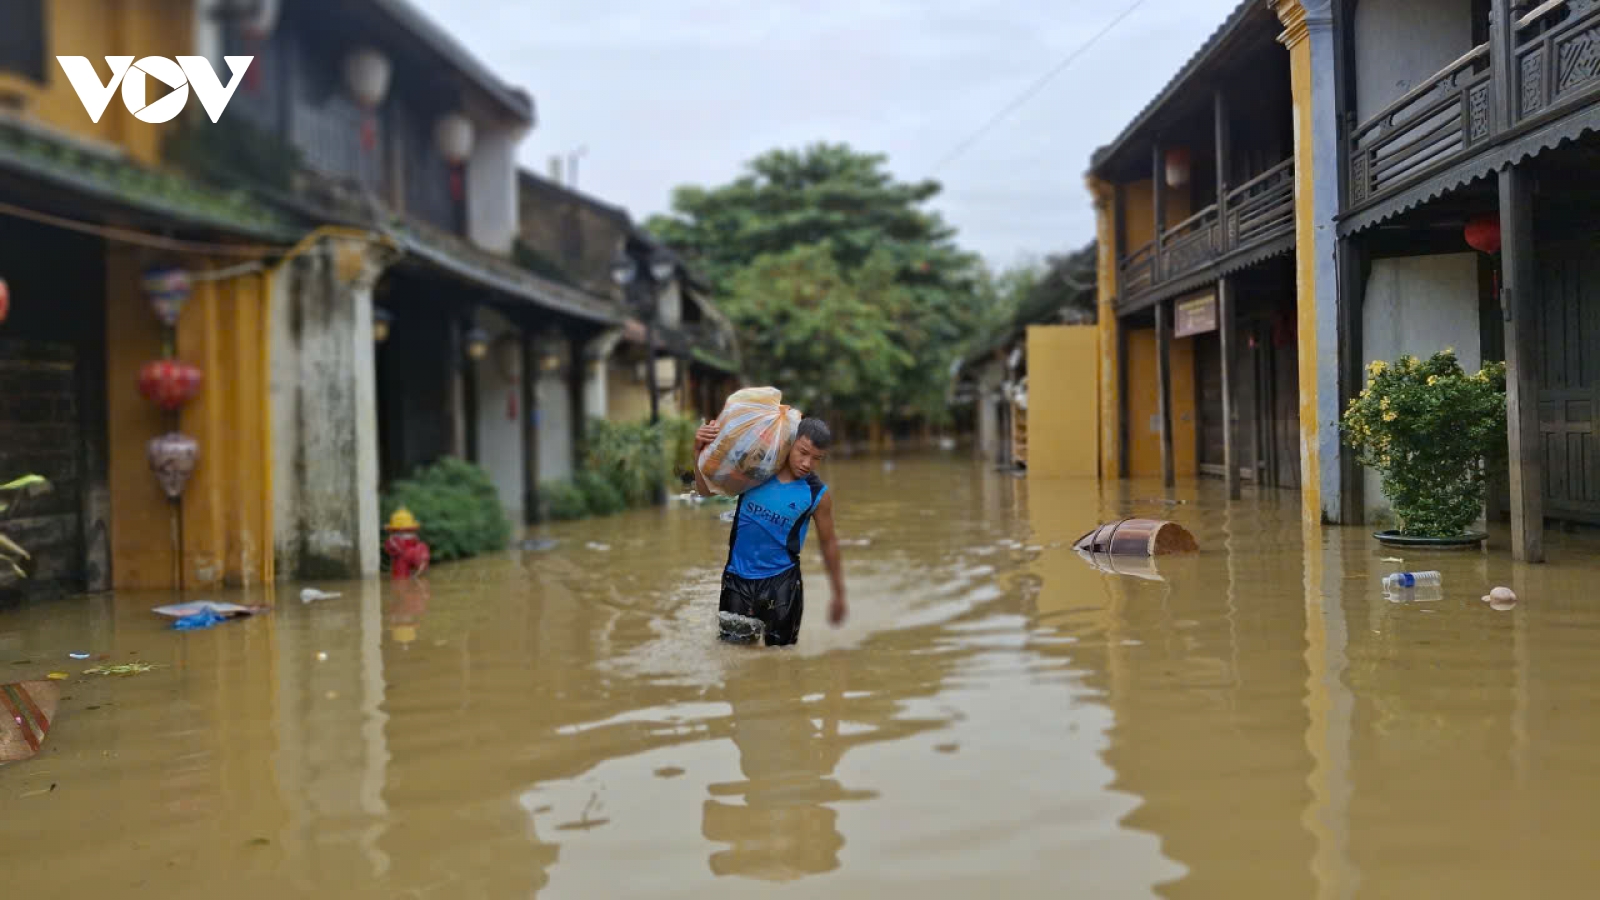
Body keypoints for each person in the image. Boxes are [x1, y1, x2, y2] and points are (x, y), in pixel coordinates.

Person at [694, 417, 846, 646]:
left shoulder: (817, 494)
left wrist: (838, 594)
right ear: (790, 443)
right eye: (803, 452)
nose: (807, 463)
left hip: (783, 586)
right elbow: (705, 491)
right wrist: (698, 451)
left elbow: (829, 543)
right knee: (733, 659)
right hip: (737, 580)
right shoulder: (755, 471)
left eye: (817, 459)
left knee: (781, 662)